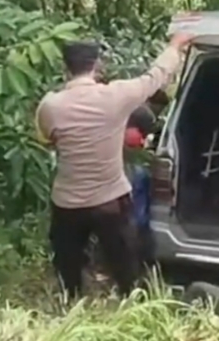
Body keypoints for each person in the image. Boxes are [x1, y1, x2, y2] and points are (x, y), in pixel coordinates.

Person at [35, 33, 194, 299]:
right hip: (110, 200)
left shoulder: (50, 106)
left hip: (68, 203)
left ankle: (69, 301)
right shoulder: (116, 95)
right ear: (97, 66)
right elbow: (155, 77)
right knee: (124, 259)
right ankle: (128, 299)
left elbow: (46, 139)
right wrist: (175, 46)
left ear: (65, 68)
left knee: (68, 261)